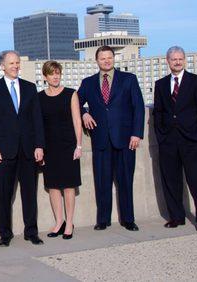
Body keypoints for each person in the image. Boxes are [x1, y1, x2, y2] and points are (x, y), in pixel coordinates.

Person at [78, 45, 145, 231]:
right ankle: (103, 220)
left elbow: (138, 107)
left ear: (114, 59)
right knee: (102, 181)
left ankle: (128, 219)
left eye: (109, 57)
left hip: (125, 139)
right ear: (97, 61)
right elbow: (75, 101)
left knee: (125, 180)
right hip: (100, 140)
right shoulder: (88, 82)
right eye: (102, 58)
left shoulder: (129, 80)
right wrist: (84, 113)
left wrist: (136, 133)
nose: (106, 61)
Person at [0, 50, 45, 246]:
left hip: (28, 151)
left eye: (17, 62)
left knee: (29, 193)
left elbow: (37, 120)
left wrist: (39, 146)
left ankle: (31, 232)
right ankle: (5, 234)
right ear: (2, 65)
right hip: (4, 152)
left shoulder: (29, 88)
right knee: (4, 195)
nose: (15, 66)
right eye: (11, 63)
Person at [153, 46, 197, 232]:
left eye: (180, 59)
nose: (177, 62)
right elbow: (158, 112)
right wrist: (161, 136)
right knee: (171, 180)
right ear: (167, 61)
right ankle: (176, 217)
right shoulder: (160, 84)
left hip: (190, 139)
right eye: (173, 59)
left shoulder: (196, 81)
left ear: (184, 60)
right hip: (168, 140)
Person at [38, 61, 83, 240]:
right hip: (49, 147)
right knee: (53, 186)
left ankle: (69, 223)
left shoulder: (71, 94)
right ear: (45, 77)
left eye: (58, 73)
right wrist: (40, 147)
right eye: (52, 74)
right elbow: (38, 124)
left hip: (68, 146)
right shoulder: (39, 97)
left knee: (69, 186)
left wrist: (79, 146)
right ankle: (59, 222)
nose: (55, 76)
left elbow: (77, 121)